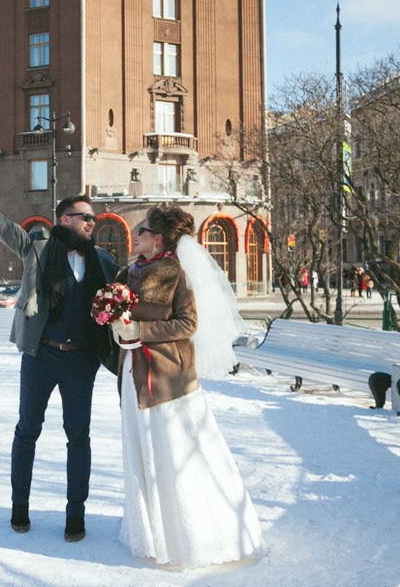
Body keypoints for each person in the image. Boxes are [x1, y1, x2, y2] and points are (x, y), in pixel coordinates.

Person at [0, 167, 118, 542]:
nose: (92, 223)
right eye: (85, 217)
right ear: (65, 219)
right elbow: (0, 226)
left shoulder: (104, 261)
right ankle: (19, 508)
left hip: (81, 359)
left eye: (94, 218)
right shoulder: (38, 247)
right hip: (40, 355)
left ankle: (76, 514)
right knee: (28, 430)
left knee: (79, 436)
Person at [105, 205, 263, 568]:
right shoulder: (127, 272)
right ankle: (152, 527)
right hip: (132, 370)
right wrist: (112, 322)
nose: (136, 235)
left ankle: (190, 535)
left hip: (167, 378)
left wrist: (140, 331)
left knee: (174, 452)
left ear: (156, 239)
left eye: (141, 230)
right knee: (142, 446)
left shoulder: (175, 273)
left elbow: (187, 324)